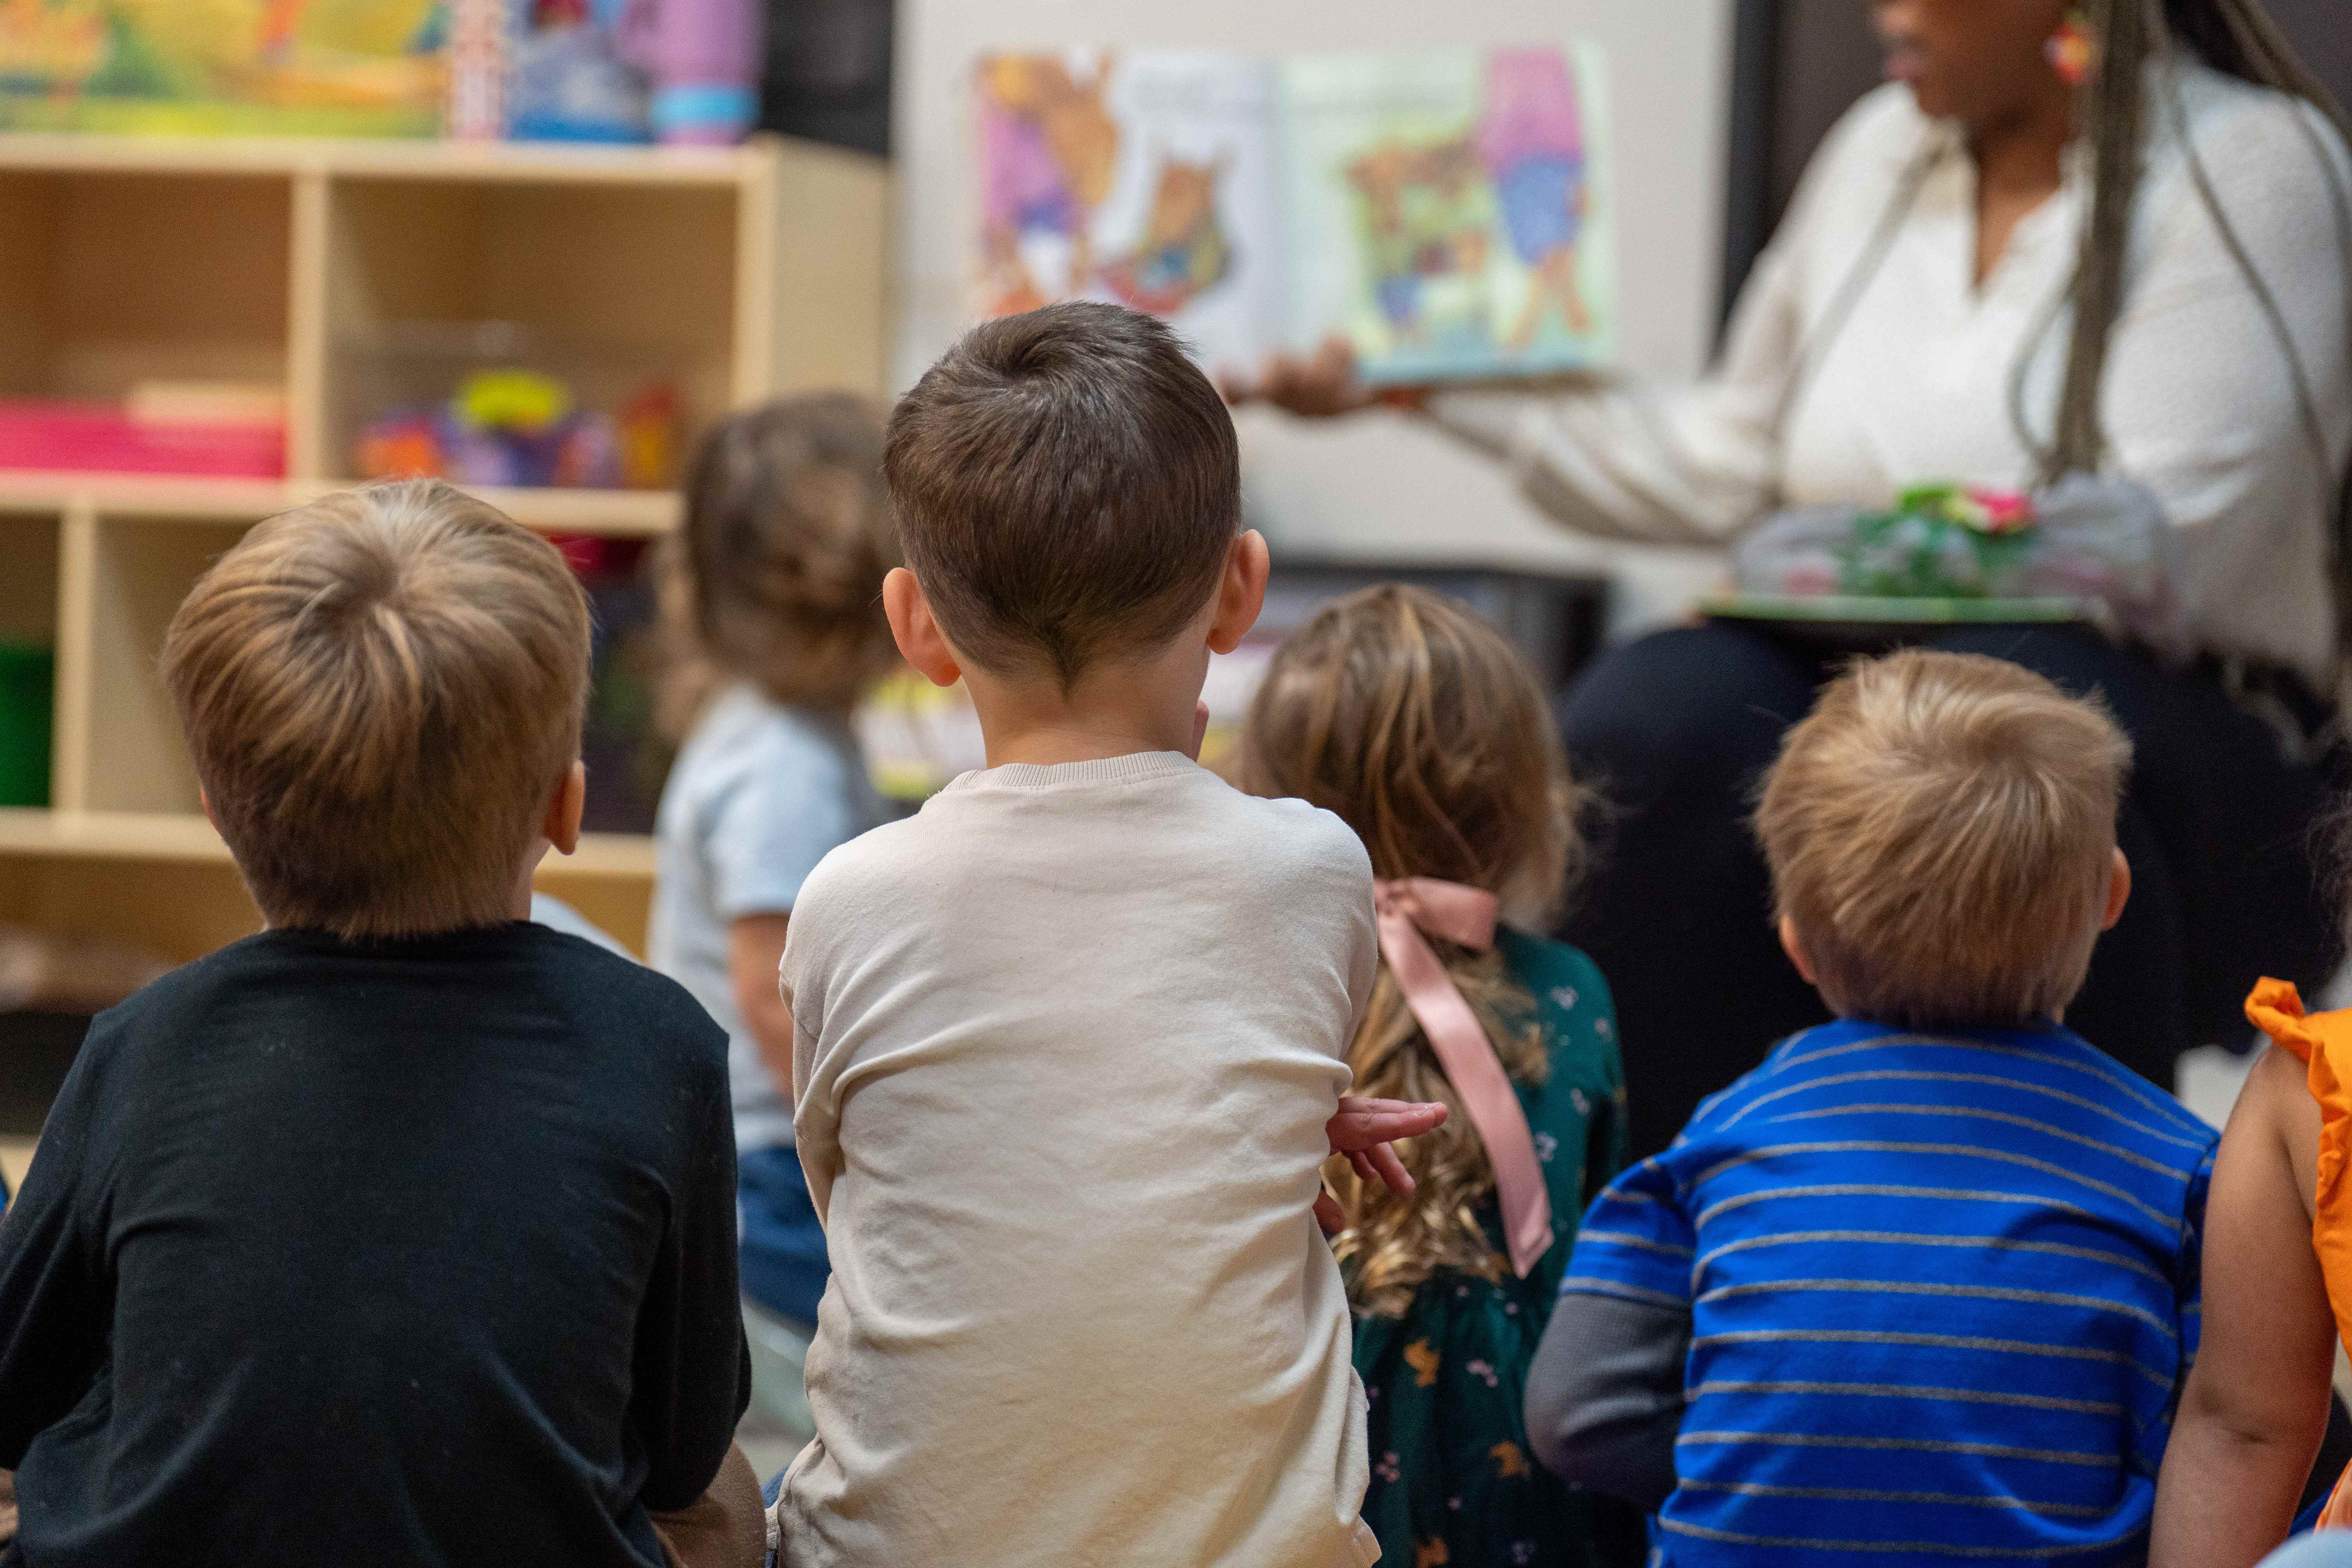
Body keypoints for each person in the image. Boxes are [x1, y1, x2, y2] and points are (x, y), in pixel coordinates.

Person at [1233, 0, 2352, 1155]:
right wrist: (1424, 384)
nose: (1889, 12)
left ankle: (2069, 1260)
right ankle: (1648, 1237)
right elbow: (1729, 465)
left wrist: (1823, 548)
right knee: (1650, 719)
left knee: (2010, 725)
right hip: (1868, 675)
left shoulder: (2260, 168)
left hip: (2191, 745)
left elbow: (2157, 545)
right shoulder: (1877, 151)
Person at [769, 301, 1442, 1567]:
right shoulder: (1313, 869)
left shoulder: (851, 897)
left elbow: (865, 1181)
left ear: (916, 628)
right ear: (1242, 591)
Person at [0, 481, 760, 1568]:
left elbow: (13, 1391)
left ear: (219, 816)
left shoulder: (146, 1041)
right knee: (733, 1496)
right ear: (568, 806)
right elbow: (685, 1447)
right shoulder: (660, 1044)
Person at [1524, 649, 2217, 1564]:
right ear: (2112, 898)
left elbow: (1572, 1412)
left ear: (1796, 943)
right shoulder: (2183, 1165)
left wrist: (1757, 1474)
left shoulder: (1728, 1137)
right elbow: (2247, 1422)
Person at [1240, 583, 1635, 1568]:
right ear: (1520, 800)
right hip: (1519, 1467)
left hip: (1289, 1447)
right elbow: (1597, 1243)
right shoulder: (1568, 991)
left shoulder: (1241, 981)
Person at [646, 396, 899, 1337]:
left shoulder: (781, 731)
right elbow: (771, 994)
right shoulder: (785, 765)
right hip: (768, 1173)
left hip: (756, 1163)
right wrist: (871, 1146)